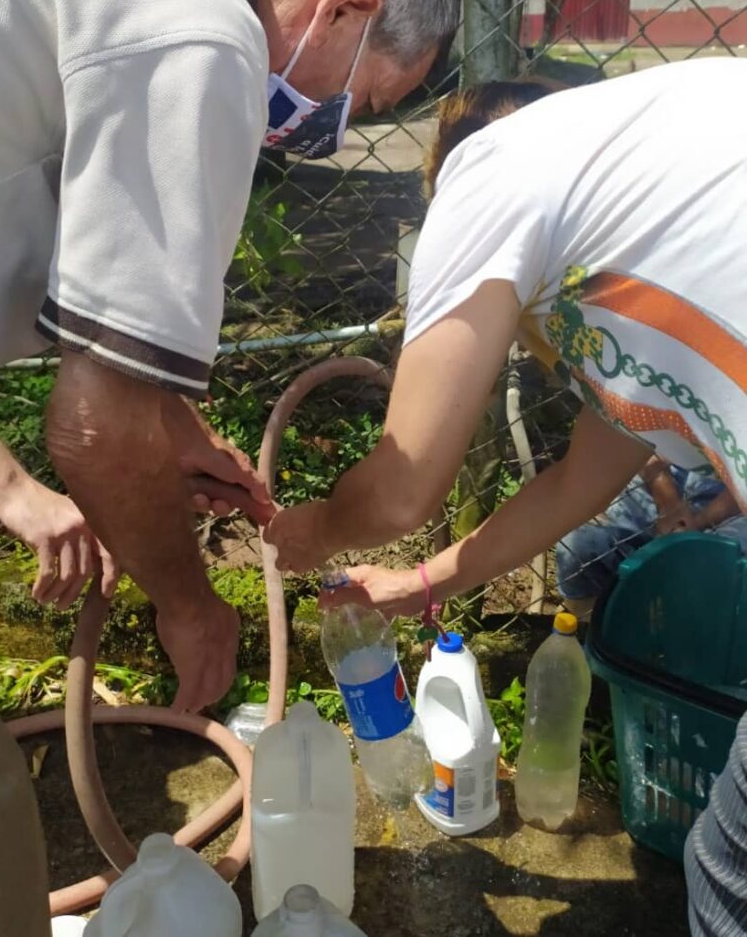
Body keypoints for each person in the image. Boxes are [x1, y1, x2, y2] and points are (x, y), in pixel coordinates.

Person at [0, 0, 460, 932]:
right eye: (369, 97)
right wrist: (190, 605)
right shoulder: (205, 37)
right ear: (345, 10)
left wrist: (175, 427)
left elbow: (104, 341)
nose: (347, 123)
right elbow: (94, 425)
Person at [265, 61, 747, 935]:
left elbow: (405, 484)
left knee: (730, 879)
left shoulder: (488, 171)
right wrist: (421, 585)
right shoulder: (648, 233)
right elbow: (577, 481)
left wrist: (315, 531)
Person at [557, 456, 747, 618]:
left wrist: (700, 521)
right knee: (578, 545)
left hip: (736, 505)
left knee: (712, 569)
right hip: (660, 481)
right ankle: (583, 626)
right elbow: (642, 442)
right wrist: (668, 503)